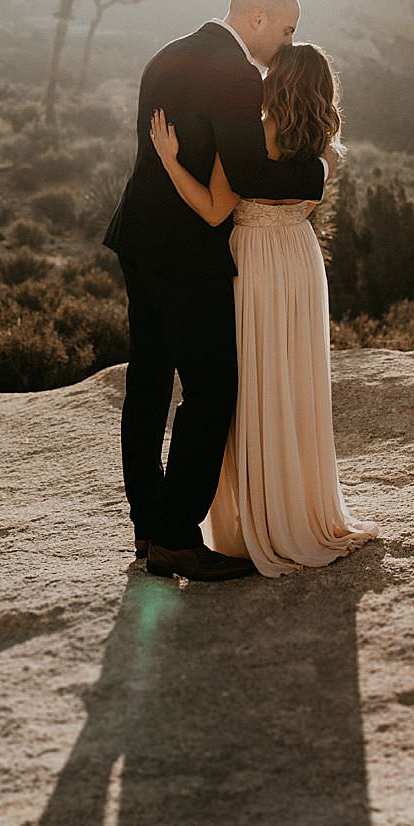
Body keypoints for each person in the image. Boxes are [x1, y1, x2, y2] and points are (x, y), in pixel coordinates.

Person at [101, 0, 336, 582]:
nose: (288, 42)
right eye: (285, 29)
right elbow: (251, 171)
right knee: (212, 390)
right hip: (187, 251)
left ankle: (148, 527)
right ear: (256, 18)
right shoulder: (234, 74)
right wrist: (319, 170)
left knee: (149, 385)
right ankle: (178, 536)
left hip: (139, 236)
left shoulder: (167, 54)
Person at [147, 38, 377, 576]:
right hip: (298, 262)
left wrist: (169, 161)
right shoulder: (330, 154)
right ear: (323, 92)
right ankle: (296, 511)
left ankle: (250, 521)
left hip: (250, 262)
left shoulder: (253, 138)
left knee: (252, 384)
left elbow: (211, 211)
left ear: (278, 83)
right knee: (293, 382)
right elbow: (299, 200)